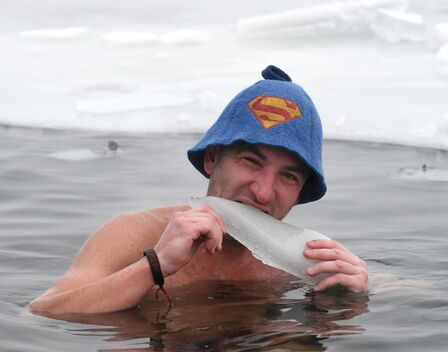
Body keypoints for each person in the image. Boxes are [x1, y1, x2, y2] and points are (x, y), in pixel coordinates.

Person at [30, 65, 368, 314]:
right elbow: (45, 311)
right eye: (251, 161)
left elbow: (406, 291)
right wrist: (155, 266)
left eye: (288, 177)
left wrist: (354, 293)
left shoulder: (307, 262)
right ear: (212, 159)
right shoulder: (134, 234)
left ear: (301, 192)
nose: (264, 193)